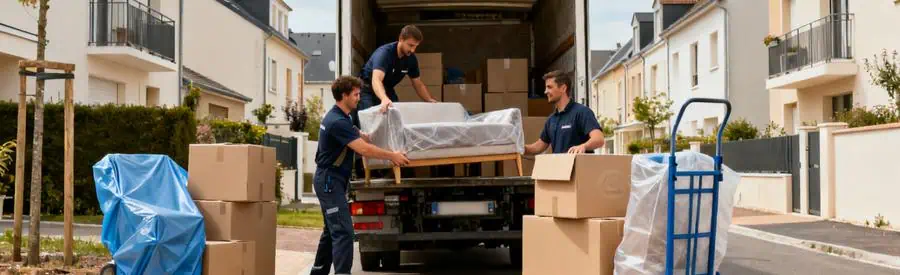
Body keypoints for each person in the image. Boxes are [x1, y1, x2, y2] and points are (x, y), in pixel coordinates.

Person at [310, 76, 410, 275]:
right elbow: (363, 150)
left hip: (331, 179)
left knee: (331, 230)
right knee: (343, 232)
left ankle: (318, 272)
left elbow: (351, 131)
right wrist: (393, 156)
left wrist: (360, 133)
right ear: (344, 96)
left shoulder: (341, 116)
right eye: (355, 95)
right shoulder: (337, 121)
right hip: (329, 181)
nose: (358, 98)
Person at [524, 70, 606, 155]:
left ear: (563, 88)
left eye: (549, 87)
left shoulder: (582, 112)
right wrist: (520, 148)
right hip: (559, 164)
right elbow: (538, 147)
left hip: (579, 163)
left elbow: (599, 139)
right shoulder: (551, 120)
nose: (545, 91)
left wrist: (583, 146)